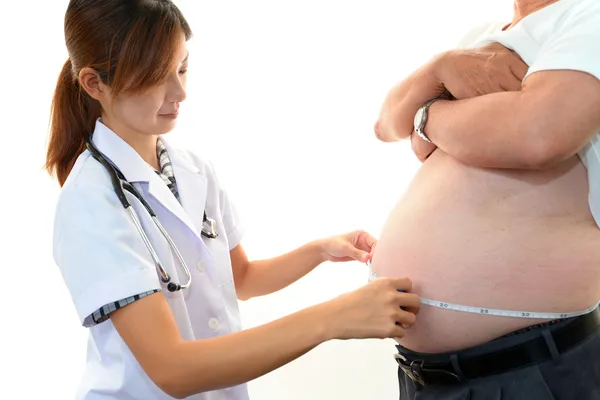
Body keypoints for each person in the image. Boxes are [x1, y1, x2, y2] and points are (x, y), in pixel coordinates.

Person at [44, 1, 421, 399]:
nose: (180, 92)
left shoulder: (193, 170)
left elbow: (241, 278)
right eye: (156, 77)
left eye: (182, 68)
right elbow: (171, 369)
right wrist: (333, 318)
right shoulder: (91, 201)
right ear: (94, 83)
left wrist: (320, 250)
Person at [370, 0, 600, 398]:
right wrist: (441, 68)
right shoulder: (482, 36)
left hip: (531, 368)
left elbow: (536, 134)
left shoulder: (587, 17)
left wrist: (426, 114)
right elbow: (388, 124)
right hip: (423, 376)